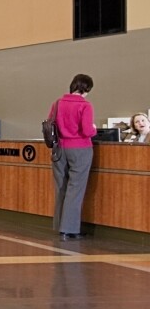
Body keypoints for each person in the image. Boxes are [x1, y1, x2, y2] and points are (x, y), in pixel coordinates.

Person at [50, 74, 97, 241]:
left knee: (61, 187)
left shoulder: (57, 103)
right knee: (75, 189)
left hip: (59, 149)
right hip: (80, 149)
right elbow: (86, 130)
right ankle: (70, 229)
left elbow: (50, 123)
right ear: (86, 89)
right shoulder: (85, 105)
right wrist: (94, 129)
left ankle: (59, 226)